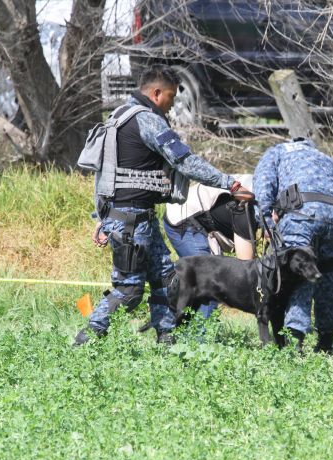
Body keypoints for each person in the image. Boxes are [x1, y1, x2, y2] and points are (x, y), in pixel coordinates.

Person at [74, 65, 253, 346]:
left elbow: (107, 174)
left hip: (134, 217)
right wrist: (228, 183)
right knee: (129, 290)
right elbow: (185, 161)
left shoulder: (119, 116)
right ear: (156, 94)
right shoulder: (147, 120)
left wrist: (103, 216)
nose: (171, 105)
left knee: (166, 279)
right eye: (170, 97)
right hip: (131, 220)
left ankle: (167, 342)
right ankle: (85, 341)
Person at [252, 137, 333, 353]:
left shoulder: (277, 152)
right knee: (326, 278)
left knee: (299, 279)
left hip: (301, 216)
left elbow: (263, 190)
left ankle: (294, 342)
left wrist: (268, 226)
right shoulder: (329, 159)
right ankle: (326, 343)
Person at [162, 174, 257, 318]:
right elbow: (245, 267)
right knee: (209, 281)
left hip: (205, 222)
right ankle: (201, 337)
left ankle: (189, 329)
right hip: (184, 219)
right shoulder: (244, 209)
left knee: (207, 284)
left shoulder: (262, 187)